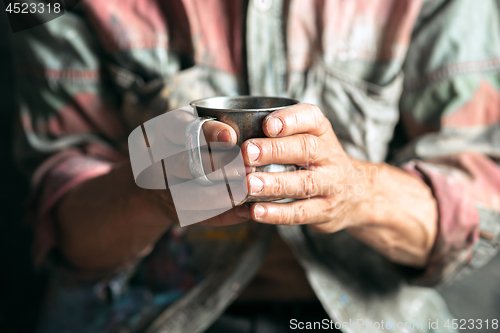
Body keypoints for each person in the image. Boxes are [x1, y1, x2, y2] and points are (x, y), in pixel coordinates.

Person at [12, 0, 500, 332]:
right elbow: (64, 226)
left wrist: (354, 191)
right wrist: (148, 190)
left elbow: (481, 208)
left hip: (372, 316)